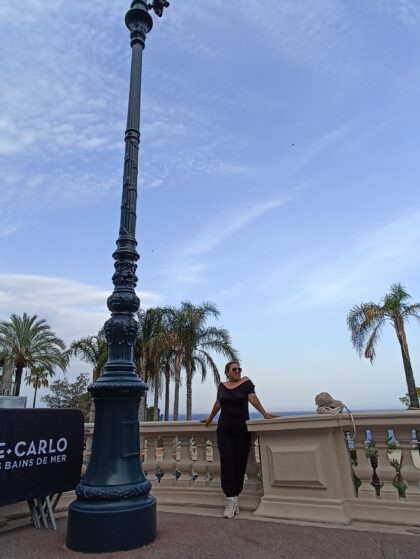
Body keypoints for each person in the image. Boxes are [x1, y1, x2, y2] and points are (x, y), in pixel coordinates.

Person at [200, 361, 277, 518]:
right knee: (227, 462)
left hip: (241, 430)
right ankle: (230, 498)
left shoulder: (246, 383)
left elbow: (253, 398)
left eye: (239, 369)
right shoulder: (222, 386)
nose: (237, 371)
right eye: (234, 369)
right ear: (227, 372)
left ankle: (234, 496)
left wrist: (264, 414)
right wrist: (210, 418)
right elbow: (218, 403)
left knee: (240, 463)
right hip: (224, 429)